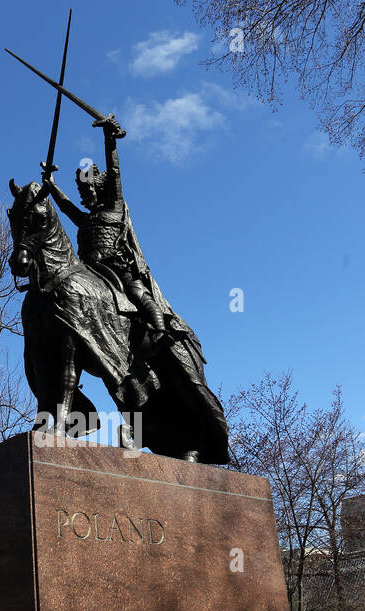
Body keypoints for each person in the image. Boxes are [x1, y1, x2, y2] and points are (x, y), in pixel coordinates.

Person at [43, 117, 230, 463]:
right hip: (92, 278)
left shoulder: (114, 207)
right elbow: (66, 208)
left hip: (119, 272)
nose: (86, 195)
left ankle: (159, 327)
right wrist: (50, 186)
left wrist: (109, 139)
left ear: (99, 187)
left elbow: (116, 175)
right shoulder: (85, 221)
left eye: (90, 188)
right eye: (83, 192)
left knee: (136, 292)